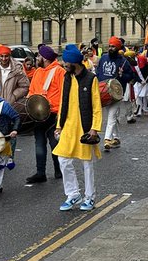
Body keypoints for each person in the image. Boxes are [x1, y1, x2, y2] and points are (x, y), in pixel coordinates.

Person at [53, 44, 102, 212]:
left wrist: (94, 129)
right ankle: (73, 194)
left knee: (87, 163)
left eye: (66, 63)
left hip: (85, 128)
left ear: (74, 63)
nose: (63, 64)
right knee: (63, 160)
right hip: (67, 127)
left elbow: (96, 106)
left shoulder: (91, 79)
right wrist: (59, 125)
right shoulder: (67, 77)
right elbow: (62, 103)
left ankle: (90, 197)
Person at [26, 44, 64, 183]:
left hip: (53, 114)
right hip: (37, 114)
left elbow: (64, 95)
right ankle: (40, 172)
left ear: (45, 58)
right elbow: (31, 91)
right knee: (39, 144)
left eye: (38, 56)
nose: (37, 58)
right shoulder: (38, 72)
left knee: (54, 143)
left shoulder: (59, 72)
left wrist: (61, 114)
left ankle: (59, 170)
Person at [95, 36, 130, 150]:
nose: (110, 48)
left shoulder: (123, 61)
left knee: (111, 115)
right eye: (110, 46)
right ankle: (116, 137)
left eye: (113, 46)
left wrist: (122, 75)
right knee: (112, 116)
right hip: (103, 91)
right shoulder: (104, 58)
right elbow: (98, 72)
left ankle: (107, 139)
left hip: (116, 93)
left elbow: (130, 76)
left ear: (118, 48)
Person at [0, 45, 30, 111]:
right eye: (1, 56)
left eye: (6, 56)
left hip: (11, 105)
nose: (4, 59)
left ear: (10, 56)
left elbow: (25, 86)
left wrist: (14, 96)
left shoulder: (17, 69)